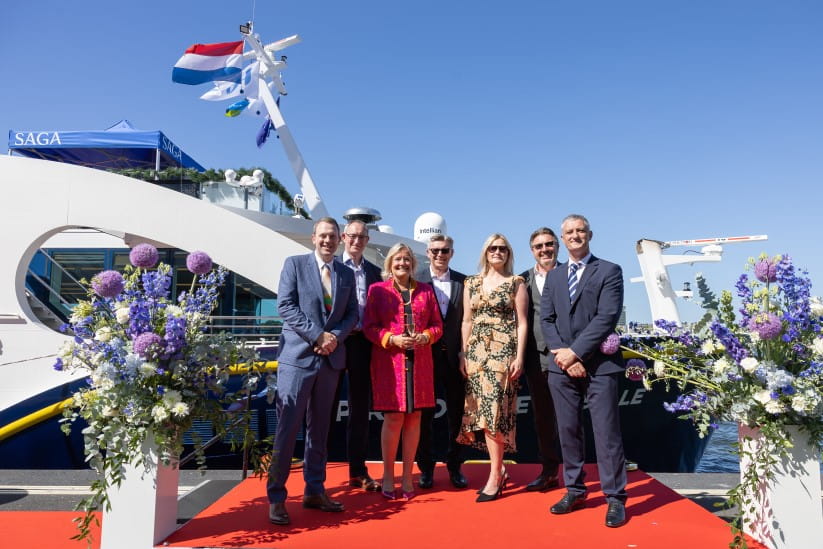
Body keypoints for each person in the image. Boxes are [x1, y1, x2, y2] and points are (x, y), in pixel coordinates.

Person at [266, 217, 359, 526]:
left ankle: (314, 491)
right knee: (287, 430)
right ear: (313, 237)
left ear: (340, 239)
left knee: (320, 430)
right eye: (323, 235)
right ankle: (277, 497)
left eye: (333, 236)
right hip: (298, 359)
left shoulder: (345, 274)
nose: (328, 241)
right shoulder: (294, 264)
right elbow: (286, 306)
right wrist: (317, 335)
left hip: (330, 361)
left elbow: (352, 314)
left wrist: (334, 338)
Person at [540, 214, 628, 528]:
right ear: (563, 238)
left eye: (580, 230)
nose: (575, 236)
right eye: (569, 232)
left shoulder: (609, 271)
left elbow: (607, 317)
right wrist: (565, 357)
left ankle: (615, 498)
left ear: (590, 234)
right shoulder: (553, 276)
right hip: (561, 368)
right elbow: (546, 320)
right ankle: (575, 490)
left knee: (607, 434)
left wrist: (575, 352)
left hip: (599, 366)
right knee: (568, 431)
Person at [363, 243, 443, 500]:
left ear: (413, 263)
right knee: (394, 419)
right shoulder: (377, 291)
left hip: (420, 363)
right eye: (398, 259)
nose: (403, 264)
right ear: (390, 263)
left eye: (407, 259)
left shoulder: (426, 291)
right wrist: (391, 339)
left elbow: (437, 326)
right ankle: (388, 476)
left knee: (415, 418)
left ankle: (408, 476)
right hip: (390, 363)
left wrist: (425, 336)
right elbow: (369, 326)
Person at [457, 234, 528, 502]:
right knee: (482, 412)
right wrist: (463, 353)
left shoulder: (515, 283)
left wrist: (519, 356)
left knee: (494, 412)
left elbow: (522, 322)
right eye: (492, 248)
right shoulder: (471, 283)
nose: (497, 252)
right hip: (476, 354)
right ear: (485, 252)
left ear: (509, 254)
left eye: (503, 249)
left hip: (502, 353)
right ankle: (498, 470)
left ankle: (495, 476)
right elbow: (466, 320)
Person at [415, 234, 469, 490]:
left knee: (457, 415)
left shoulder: (463, 281)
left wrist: (465, 352)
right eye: (435, 251)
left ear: (452, 252)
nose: (440, 255)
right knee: (424, 415)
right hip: (426, 357)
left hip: (455, 358)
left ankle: (455, 466)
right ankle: (425, 468)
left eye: (444, 250)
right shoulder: (417, 281)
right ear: (427, 252)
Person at [332, 220, 383, 491]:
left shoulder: (375, 272)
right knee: (324, 409)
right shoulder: (332, 268)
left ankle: (357, 471)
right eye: (352, 236)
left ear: (367, 240)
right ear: (344, 237)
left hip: (363, 344)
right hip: (335, 343)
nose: (356, 241)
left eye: (362, 237)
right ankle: (316, 474)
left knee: (360, 410)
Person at [519, 227, 563, 491]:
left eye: (549, 244)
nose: (544, 249)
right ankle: (549, 472)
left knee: (570, 419)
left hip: (569, 357)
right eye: (539, 246)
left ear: (556, 245)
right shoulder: (522, 280)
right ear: (532, 250)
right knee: (543, 419)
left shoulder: (572, 274)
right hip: (536, 360)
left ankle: (575, 474)